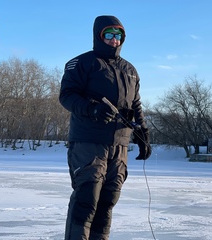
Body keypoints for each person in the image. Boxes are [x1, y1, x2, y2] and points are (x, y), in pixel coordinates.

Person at [59, 15, 151, 240]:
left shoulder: (130, 70)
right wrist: (93, 108)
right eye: (109, 34)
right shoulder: (82, 63)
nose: (114, 40)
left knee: (108, 200)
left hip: (119, 144)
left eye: (118, 35)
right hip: (89, 141)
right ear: (99, 36)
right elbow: (67, 96)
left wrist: (143, 134)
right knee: (87, 198)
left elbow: (136, 104)